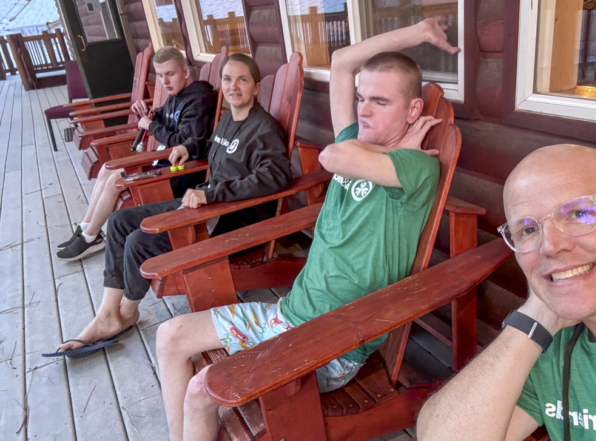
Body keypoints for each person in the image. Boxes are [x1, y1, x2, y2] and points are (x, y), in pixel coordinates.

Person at [153, 18, 460, 441]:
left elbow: (332, 157)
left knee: (201, 390)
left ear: (413, 111)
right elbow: (341, 62)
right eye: (361, 99)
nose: (364, 110)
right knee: (169, 335)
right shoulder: (362, 141)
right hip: (287, 315)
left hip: (328, 345)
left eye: (380, 102)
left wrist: (387, 147)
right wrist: (420, 33)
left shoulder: (416, 166)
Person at [416, 144, 596, 441]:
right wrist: (535, 316)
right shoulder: (545, 343)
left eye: (578, 213)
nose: (550, 246)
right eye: (527, 230)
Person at [50, 54, 292, 358]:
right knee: (120, 222)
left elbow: (276, 177)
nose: (233, 86)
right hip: (202, 203)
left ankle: (125, 312)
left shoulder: (264, 129)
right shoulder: (229, 120)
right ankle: (109, 313)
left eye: (242, 79)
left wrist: (214, 195)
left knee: (140, 241)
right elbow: (209, 145)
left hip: (229, 221)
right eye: (228, 79)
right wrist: (186, 147)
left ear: (256, 87)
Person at [56, 46, 218, 262]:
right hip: (163, 164)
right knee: (108, 168)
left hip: (181, 172)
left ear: (186, 72)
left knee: (116, 180)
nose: (165, 81)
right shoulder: (175, 96)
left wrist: (151, 126)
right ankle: (86, 228)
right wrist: (145, 111)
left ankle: (91, 236)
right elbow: (160, 116)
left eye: (170, 74)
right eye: (160, 76)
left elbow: (188, 144)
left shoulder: (199, 98)